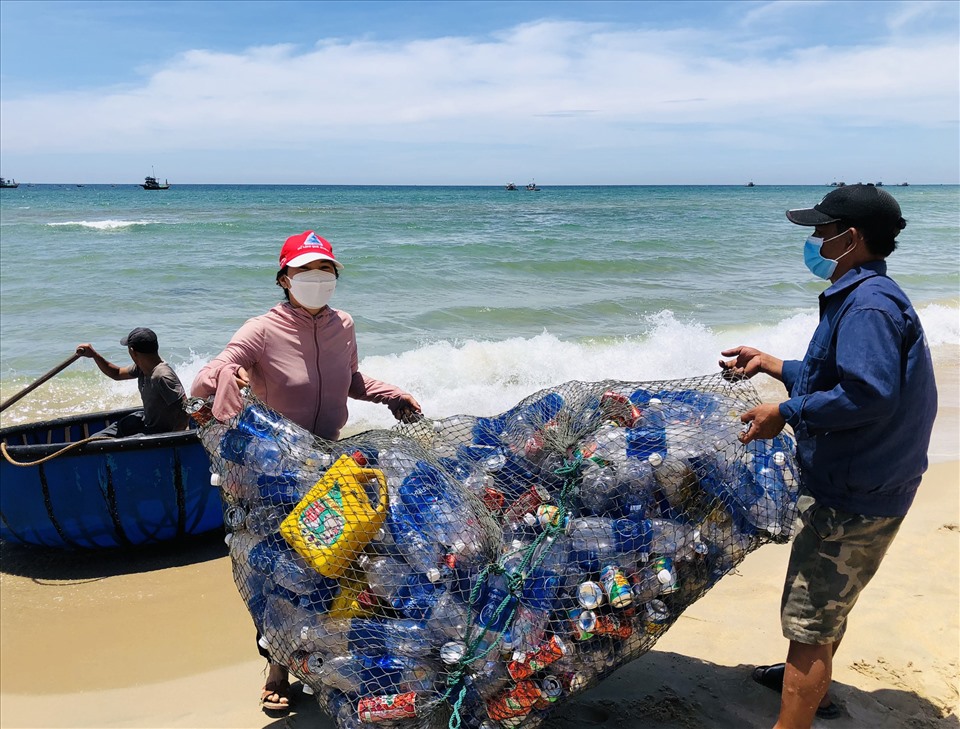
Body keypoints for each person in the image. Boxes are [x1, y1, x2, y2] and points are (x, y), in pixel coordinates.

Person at [719, 184, 937, 729]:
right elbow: (838, 375)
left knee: (809, 620)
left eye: (822, 231)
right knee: (826, 603)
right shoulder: (866, 294)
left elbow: (869, 394)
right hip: (871, 481)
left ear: (851, 238)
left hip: (855, 492)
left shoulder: (868, 305)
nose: (814, 241)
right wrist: (773, 364)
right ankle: (815, 689)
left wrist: (787, 412)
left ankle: (799, 712)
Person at [191, 230, 422, 713]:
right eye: (305, 272)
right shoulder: (261, 329)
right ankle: (276, 665)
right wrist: (227, 377)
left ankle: (329, 657)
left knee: (337, 563)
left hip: (327, 462)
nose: (317, 280)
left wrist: (390, 394)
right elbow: (212, 372)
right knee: (283, 570)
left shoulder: (343, 324)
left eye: (325, 271)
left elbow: (350, 379)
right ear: (284, 278)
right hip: (272, 471)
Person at [76, 327, 190, 436]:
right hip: (146, 421)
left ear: (132, 351)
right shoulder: (141, 367)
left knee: (121, 443)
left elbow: (185, 411)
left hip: (158, 432)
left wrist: (171, 441)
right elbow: (117, 373)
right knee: (100, 436)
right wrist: (94, 355)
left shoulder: (162, 376)